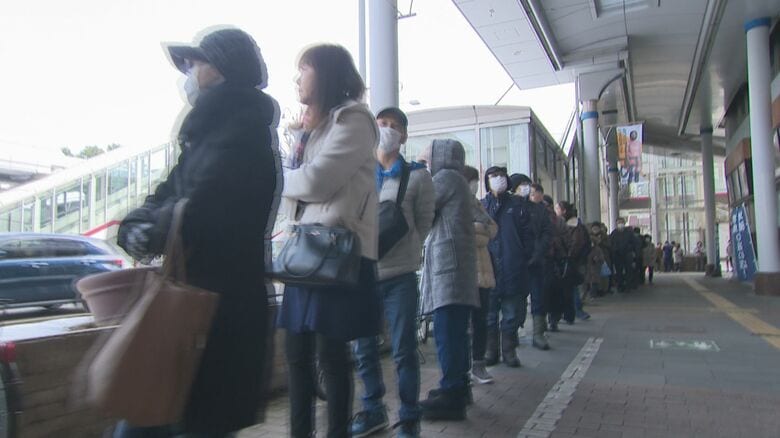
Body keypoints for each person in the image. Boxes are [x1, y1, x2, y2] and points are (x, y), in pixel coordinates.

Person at [115, 27, 280, 437]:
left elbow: (200, 211)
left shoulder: (244, 138)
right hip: (193, 312)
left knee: (179, 424)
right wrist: (139, 222)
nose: (188, 71)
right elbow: (166, 195)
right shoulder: (206, 136)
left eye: (196, 62)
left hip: (215, 319)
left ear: (221, 69)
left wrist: (150, 226)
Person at [277, 44, 383, 438]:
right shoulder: (314, 126)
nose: (298, 80)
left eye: (303, 69)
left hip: (337, 251)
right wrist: (295, 171)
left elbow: (316, 181)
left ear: (325, 74)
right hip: (306, 251)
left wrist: (281, 183)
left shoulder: (354, 121)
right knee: (296, 356)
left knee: (331, 357)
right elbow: (300, 186)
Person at [351, 107, 434, 438]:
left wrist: (410, 249)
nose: (386, 130)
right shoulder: (359, 173)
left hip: (400, 276)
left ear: (404, 135)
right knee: (364, 349)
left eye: (393, 126)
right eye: (381, 125)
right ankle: (373, 410)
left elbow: (424, 222)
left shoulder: (417, 176)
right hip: (364, 273)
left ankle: (409, 415)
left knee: (403, 350)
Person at [418, 139, 479, 421]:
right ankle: (459, 387)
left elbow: (423, 209)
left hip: (449, 271)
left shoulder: (445, 178)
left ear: (441, 157)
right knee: (456, 332)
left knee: (447, 333)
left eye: (428, 158)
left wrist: (417, 174)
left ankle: (452, 393)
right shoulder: (458, 180)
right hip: (457, 270)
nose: (427, 163)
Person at [483, 169, 551, 363]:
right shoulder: (482, 206)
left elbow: (529, 235)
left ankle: (509, 351)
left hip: (514, 266)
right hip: (489, 266)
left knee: (511, 313)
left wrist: (528, 256)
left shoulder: (518, 206)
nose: (498, 180)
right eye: (493, 177)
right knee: (489, 314)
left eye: (501, 176)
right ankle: (491, 350)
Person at [462, 166, 498, 385]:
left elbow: (493, 228)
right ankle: (466, 366)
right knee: (467, 323)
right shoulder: (455, 203)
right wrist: (480, 229)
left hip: (484, 272)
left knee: (481, 320)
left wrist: (478, 229)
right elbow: (462, 232)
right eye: (472, 180)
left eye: (476, 180)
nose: (474, 184)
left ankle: (478, 364)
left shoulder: (477, 204)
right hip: (467, 272)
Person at [556, 202, 590, 321]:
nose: (556, 211)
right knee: (571, 287)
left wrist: (568, 256)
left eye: (557, 208)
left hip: (571, 261)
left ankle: (576, 310)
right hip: (570, 260)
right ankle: (572, 311)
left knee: (572, 287)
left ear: (564, 211)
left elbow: (576, 244)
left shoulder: (574, 226)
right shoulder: (568, 224)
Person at [610, 218, 634, 293]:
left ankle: (628, 286)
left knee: (628, 271)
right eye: (619, 223)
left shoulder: (629, 232)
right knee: (619, 272)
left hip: (627, 254)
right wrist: (614, 250)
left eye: (621, 222)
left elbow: (634, 243)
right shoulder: (614, 233)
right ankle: (620, 286)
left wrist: (633, 252)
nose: (620, 224)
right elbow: (611, 243)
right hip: (617, 255)